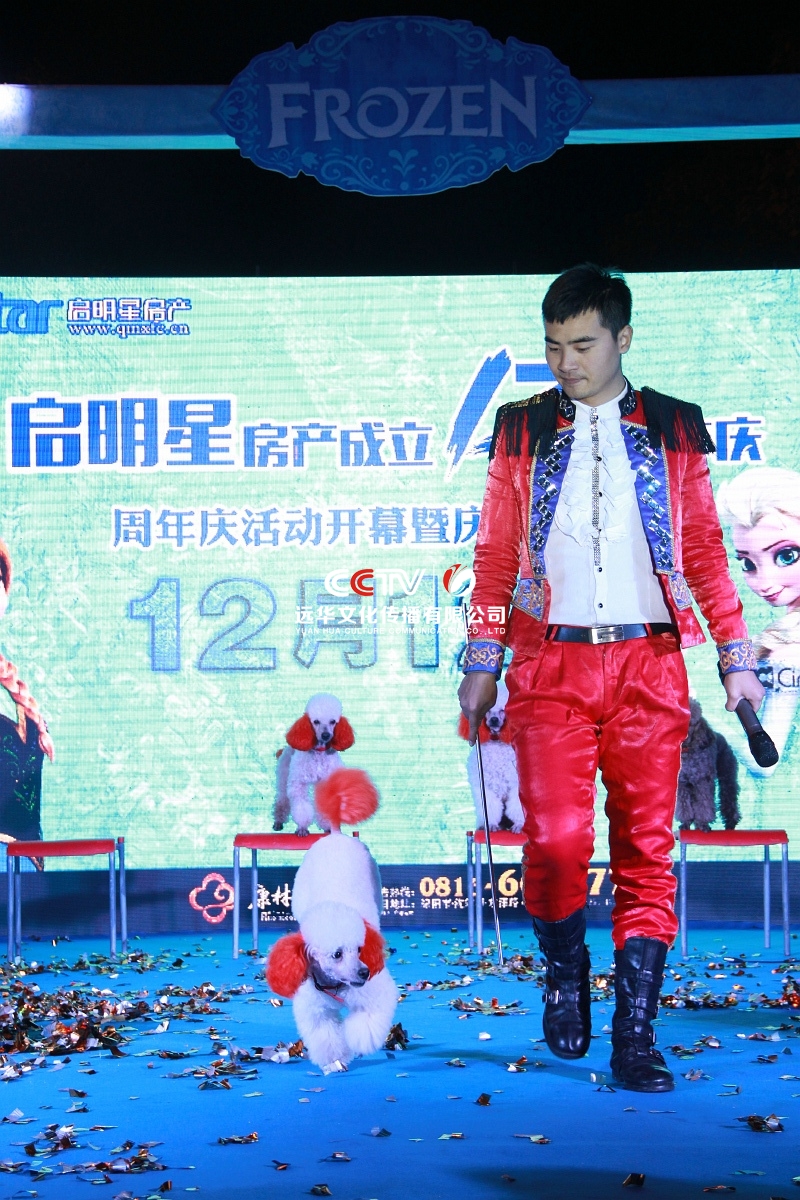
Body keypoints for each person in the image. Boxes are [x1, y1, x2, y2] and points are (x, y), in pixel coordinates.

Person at [458, 264, 763, 1093]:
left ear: (623, 338)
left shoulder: (674, 425)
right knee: (556, 840)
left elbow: (702, 551)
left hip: (648, 663)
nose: (567, 362)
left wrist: (735, 659)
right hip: (549, 664)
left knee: (645, 850)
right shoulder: (520, 428)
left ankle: (636, 1033)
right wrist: (483, 661)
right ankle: (565, 973)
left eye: (583, 344)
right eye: (554, 346)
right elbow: (494, 556)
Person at [717, 466, 800, 774]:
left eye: (786, 555)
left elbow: (763, 762)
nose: (764, 583)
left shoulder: (788, 654)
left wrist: (696, 717)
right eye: (748, 563)